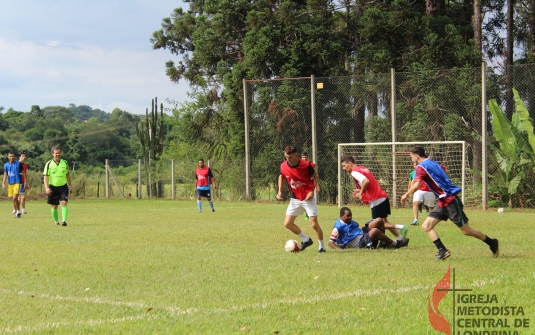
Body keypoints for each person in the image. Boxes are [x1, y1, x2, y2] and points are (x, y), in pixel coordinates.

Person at [401, 146, 499, 260]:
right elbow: (444, 171)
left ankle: (492, 243)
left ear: (416, 156)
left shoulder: (420, 167)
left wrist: (406, 194)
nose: (411, 159)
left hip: (450, 200)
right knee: (426, 226)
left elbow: (417, 185)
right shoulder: (432, 162)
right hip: (442, 201)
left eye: (411, 157)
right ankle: (442, 250)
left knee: (466, 230)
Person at [340, 155, 408, 240]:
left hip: (376, 200)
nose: (343, 168)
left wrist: (361, 193)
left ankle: (401, 227)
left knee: (378, 223)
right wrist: (360, 190)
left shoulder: (354, 172)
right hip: (382, 196)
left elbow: (366, 181)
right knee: (384, 222)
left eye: (344, 165)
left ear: (349, 163)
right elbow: (369, 183)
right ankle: (400, 238)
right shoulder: (362, 168)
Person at [277, 145, 325, 252]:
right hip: (295, 199)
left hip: (308, 199)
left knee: (313, 224)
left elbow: (316, 176)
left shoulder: (306, 165)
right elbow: (281, 176)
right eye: (286, 157)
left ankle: (322, 246)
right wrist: (280, 191)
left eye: (290, 157)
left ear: (296, 155)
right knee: (287, 224)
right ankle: (306, 239)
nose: (288, 160)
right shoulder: (283, 166)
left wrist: (311, 191)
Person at [328, 207, 409, 250]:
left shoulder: (348, 222)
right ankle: (394, 243)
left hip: (363, 234)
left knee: (379, 220)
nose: (350, 217)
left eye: (351, 215)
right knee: (374, 231)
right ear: (341, 216)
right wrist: (340, 250)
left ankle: (383, 244)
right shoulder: (337, 228)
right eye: (347, 216)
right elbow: (330, 243)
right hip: (360, 243)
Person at [43, 146, 73, 226]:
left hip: (63, 187)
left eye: (59, 153)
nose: (57, 154)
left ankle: (64, 221)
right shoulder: (48, 164)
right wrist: (46, 188)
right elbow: (45, 177)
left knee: (64, 203)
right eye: (56, 153)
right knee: (54, 206)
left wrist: (70, 186)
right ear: (52, 154)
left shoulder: (65, 163)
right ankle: (56, 221)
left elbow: (68, 175)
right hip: (53, 187)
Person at [300, 151, 320, 221]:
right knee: (303, 199)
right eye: (303, 157)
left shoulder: (311, 165)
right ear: (301, 158)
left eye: (306, 157)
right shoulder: (298, 165)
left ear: (308, 158)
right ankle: (307, 213)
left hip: (310, 185)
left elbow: (316, 176)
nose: (304, 159)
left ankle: (308, 215)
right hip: (302, 185)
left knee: (310, 198)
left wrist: (317, 186)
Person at [2, 151, 22, 218]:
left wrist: (25, 182)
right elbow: (5, 174)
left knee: (15, 197)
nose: (11, 157)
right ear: (8, 157)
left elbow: (23, 172)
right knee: (13, 199)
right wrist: (3, 183)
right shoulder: (6, 165)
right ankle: (17, 211)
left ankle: (18, 211)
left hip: (17, 182)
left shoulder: (18, 164)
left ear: (14, 157)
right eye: (10, 156)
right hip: (10, 183)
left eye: (13, 156)